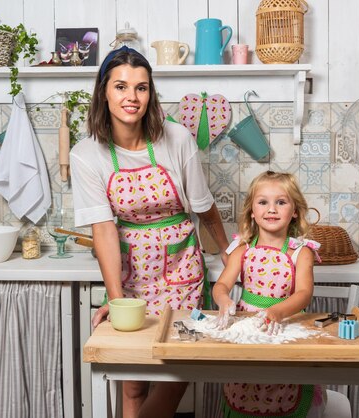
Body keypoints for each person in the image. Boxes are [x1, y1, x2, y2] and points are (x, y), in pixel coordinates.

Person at [70, 46, 229, 418]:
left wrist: (226, 246)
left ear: (150, 93)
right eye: (121, 86)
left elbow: (202, 204)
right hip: (132, 275)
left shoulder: (177, 138)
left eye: (141, 88)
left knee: (180, 368)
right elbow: (105, 230)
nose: (132, 97)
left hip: (181, 270)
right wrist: (117, 298)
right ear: (103, 92)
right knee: (134, 379)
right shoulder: (86, 154)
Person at [212, 171, 326, 418]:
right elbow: (220, 286)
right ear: (252, 211)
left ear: (294, 210)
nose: (271, 209)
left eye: (281, 202)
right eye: (263, 202)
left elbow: (305, 293)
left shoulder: (301, 252)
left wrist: (277, 311)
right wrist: (224, 300)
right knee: (247, 383)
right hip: (249, 328)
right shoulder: (242, 249)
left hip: (285, 325)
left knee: (283, 381)